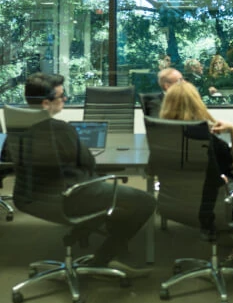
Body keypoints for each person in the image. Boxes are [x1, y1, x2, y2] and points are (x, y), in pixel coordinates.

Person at [17, 73, 156, 277]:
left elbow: (9, 157)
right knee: (146, 202)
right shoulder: (62, 130)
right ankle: (102, 258)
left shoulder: (17, 128)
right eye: (61, 96)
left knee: (115, 200)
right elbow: (89, 164)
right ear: (46, 103)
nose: (65, 99)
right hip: (71, 197)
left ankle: (82, 231)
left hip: (30, 197)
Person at [159, 80, 233, 261]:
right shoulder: (207, 139)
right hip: (211, 200)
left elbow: (150, 169)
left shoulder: (162, 137)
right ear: (197, 103)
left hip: (174, 201)